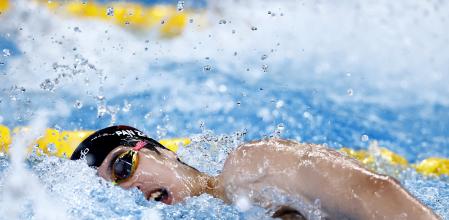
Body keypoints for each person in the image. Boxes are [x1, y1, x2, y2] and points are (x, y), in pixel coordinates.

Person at [70, 125, 439, 220]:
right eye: (113, 191)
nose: (131, 188)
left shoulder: (252, 168)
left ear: (163, 153)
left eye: (123, 166)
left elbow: (374, 192)